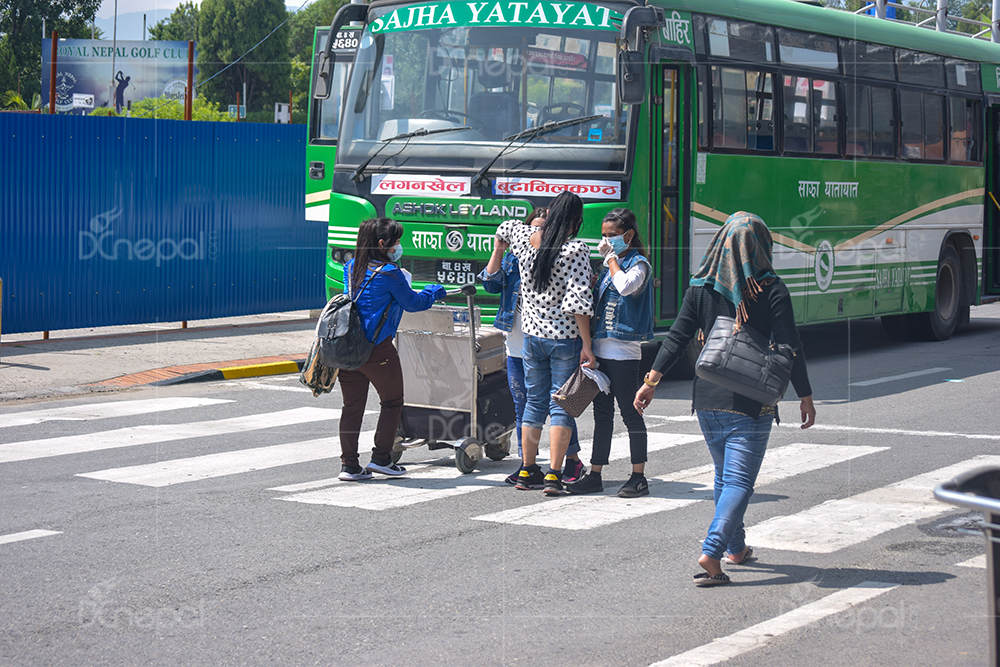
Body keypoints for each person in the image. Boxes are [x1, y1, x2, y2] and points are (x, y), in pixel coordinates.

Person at [633, 211, 816, 586]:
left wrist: (651, 380)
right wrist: (806, 395)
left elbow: (676, 337)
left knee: (724, 477)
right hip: (751, 401)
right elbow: (789, 347)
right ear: (761, 247)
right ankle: (712, 552)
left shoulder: (701, 287)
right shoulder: (772, 288)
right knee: (738, 483)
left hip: (707, 398)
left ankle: (737, 547)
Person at [495, 191, 595, 496]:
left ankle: (527, 470)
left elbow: (502, 229)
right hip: (563, 339)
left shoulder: (525, 237)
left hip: (531, 337)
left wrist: (498, 252)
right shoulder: (575, 249)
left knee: (534, 403)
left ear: (550, 214)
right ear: (576, 221)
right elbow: (578, 302)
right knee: (562, 405)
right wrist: (587, 346)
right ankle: (554, 474)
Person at [337, 217, 447, 481]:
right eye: (396, 241)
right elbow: (414, 303)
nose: (399, 246)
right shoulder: (390, 273)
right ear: (383, 244)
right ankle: (381, 458)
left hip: (347, 349)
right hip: (378, 350)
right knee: (392, 402)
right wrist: (434, 291)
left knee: (352, 407)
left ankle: (349, 466)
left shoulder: (351, 267)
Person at [567, 208, 653, 498]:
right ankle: (595, 474)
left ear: (628, 235)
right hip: (601, 351)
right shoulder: (607, 267)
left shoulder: (638, 263)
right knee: (602, 416)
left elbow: (627, 287)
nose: (606, 241)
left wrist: (612, 259)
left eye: (613, 236)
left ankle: (638, 476)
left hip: (625, 353)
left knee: (630, 413)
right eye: (603, 235)